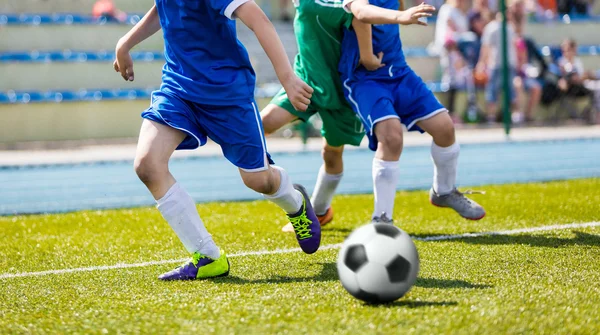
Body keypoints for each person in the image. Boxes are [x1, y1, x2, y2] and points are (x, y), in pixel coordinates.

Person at [113, 0, 319, 281]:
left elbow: (258, 19)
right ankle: (207, 256)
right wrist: (125, 42)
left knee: (259, 180)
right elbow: (163, 8)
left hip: (227, 94)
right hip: (179, 88)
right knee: (147, 165)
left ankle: (295, 202)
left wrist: (287, 79)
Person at [261, 0, 436, 232]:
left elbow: (359, 18)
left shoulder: (342, 3)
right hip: (306, 81)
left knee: (331, 155)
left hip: (342, 91)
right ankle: (282, 192)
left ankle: (320, 211)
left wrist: (367, 56)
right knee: (261, 125)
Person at [340, 0, 486, 223]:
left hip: (398, 71)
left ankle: (443, 191)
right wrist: (400, 18)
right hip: (365, 78)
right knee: (391, 138)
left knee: (445, 127)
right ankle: (382, 219)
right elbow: (360, 12)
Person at [476, 11, 518, 123]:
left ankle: (493, 116)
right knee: (506, 90)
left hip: (499, 64)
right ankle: (512, 115)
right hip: (504, 63)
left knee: (495, 91)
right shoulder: (507, 27)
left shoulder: (502, 27)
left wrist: (481, 63)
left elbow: (485, 47)